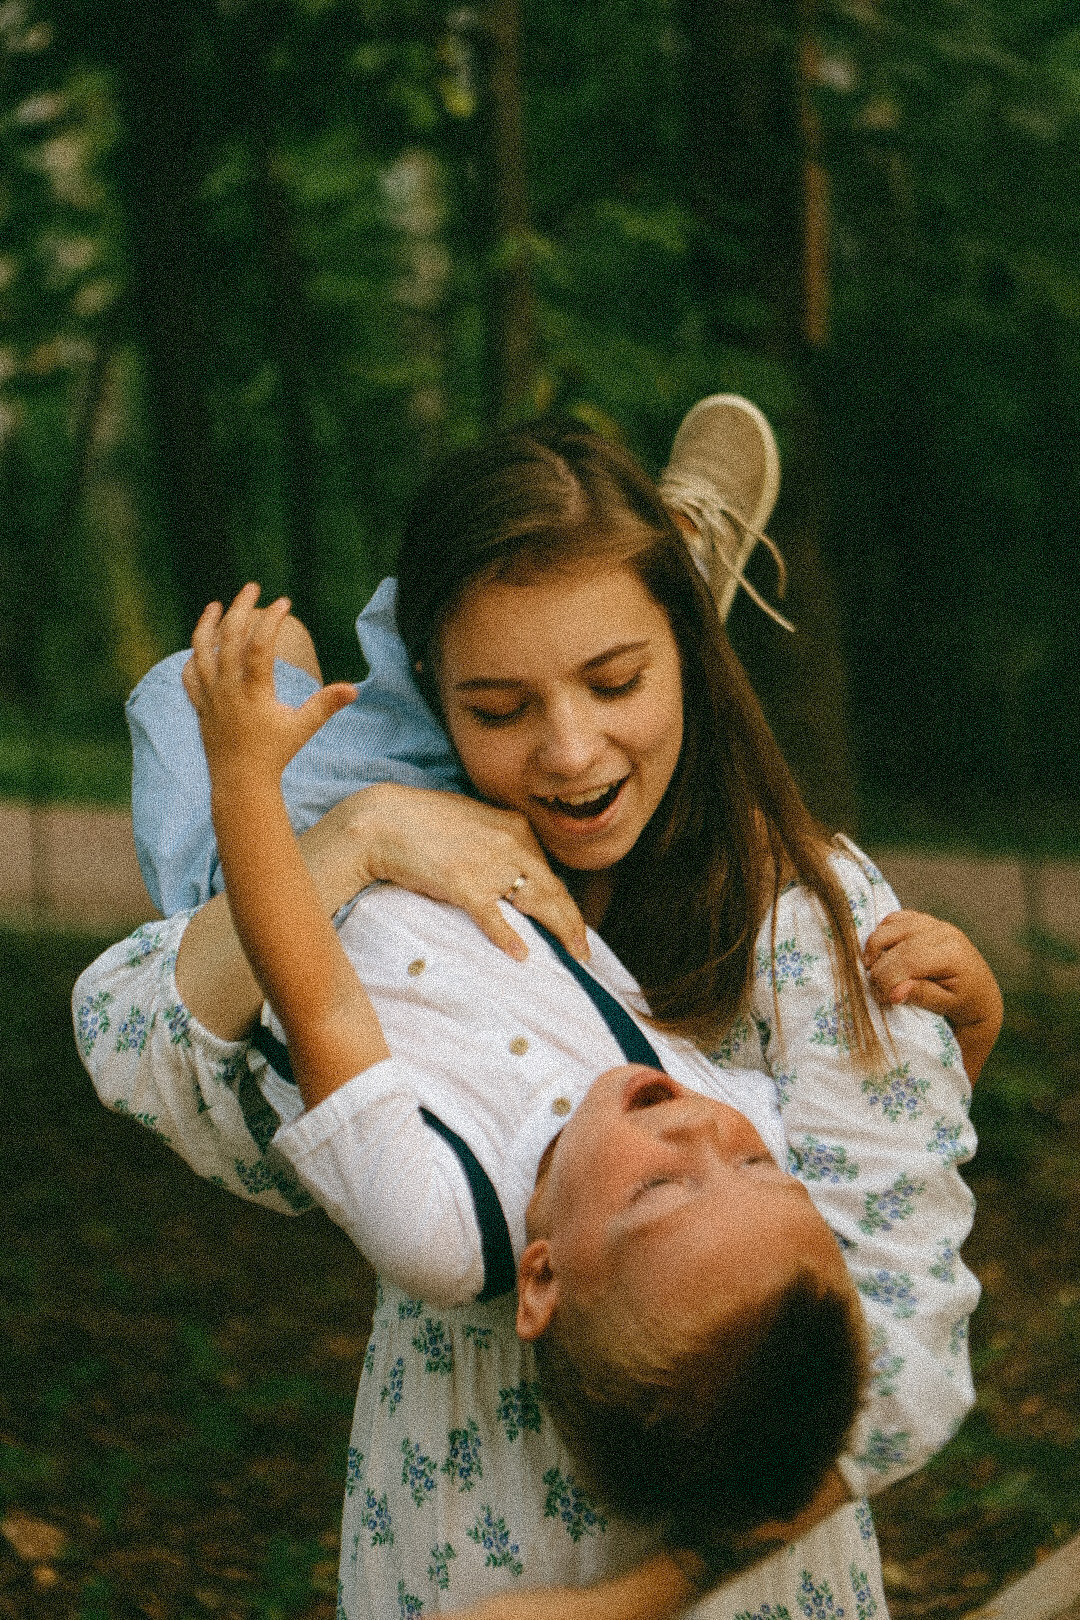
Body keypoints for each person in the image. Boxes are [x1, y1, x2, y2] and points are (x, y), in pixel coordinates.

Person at [74, 407, 998, 1618]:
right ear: (450, 704)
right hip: (449, 1521)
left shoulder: (799, 919)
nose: (568, 753)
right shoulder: (420, 864)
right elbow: (130, 1034)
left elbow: (907, 1344)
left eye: (618, 680)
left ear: (688, 662)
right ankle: (639, 589)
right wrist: (362, 837)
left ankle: (666, 575)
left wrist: (636, 1599)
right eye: (500, 708)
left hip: (738, 1594)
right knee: (337, 760)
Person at [181, 581, 869, 1574]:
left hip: (269, 857)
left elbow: (319, 1001)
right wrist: (973, 1023)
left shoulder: (440, 1226)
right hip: (455, 831)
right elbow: (879, 1147)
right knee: (483, 597)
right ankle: (643, 590)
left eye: (660, 1189)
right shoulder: (726, 1109)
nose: (703, 1132)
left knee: (235, 657)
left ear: (542, 1278)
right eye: (762, 1168)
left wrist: (243, 778)